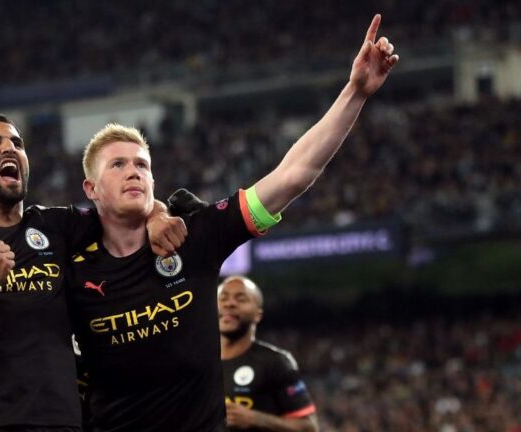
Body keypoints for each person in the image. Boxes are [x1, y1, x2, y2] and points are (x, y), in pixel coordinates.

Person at [65, 14, 397, 432]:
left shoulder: (196, 236)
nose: (134, 172)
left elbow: (293, 175)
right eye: (118, 165)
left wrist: (355, 92)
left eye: (142, 164)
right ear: (91, 187)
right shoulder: (68, 259)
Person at [0, 113, 187, 432]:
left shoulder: (56, 225)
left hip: (61, 424)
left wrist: (158, 216)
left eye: (17, 143)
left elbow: (128, 210)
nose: (9, 148)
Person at [218, 276, 318, 432]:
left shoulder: (276, 362)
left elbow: (310, 428)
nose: (229, 303)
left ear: (258, 314)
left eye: (241, 299)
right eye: (223, 298)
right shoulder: (197, 362)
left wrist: (256, 419)